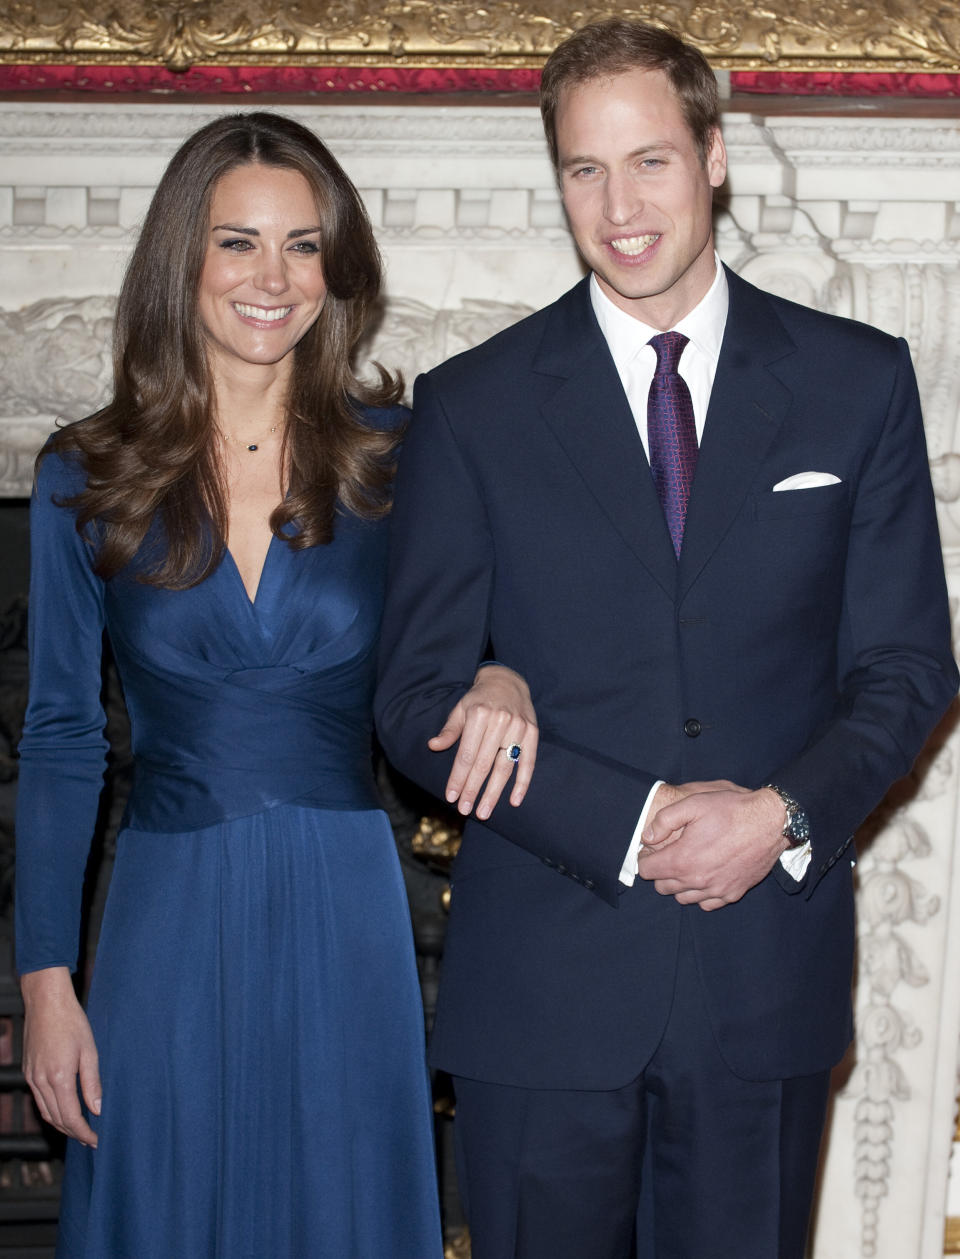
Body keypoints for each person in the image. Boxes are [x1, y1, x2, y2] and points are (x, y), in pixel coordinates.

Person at [374, 19, 959, 1259]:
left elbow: (907, 668)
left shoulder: (857, 384)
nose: (619, 205)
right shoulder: (473, 405)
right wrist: (628, 819)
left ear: (716, 156)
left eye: (649, 161)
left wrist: (778, 814)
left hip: (764, 982)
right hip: (542, 993)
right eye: (584, 170)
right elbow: (416, 690)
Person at [15, 111, 537, 1259]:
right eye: (238, 241)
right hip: (163, 907)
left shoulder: (400, 455)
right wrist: (46, 982)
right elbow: (61, 734)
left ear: (335, 266)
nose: (274, 277)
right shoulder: (82, 474)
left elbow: (488, 634)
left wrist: (503, 670)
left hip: (345, 899)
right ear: (181, 260)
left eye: (304, 244)